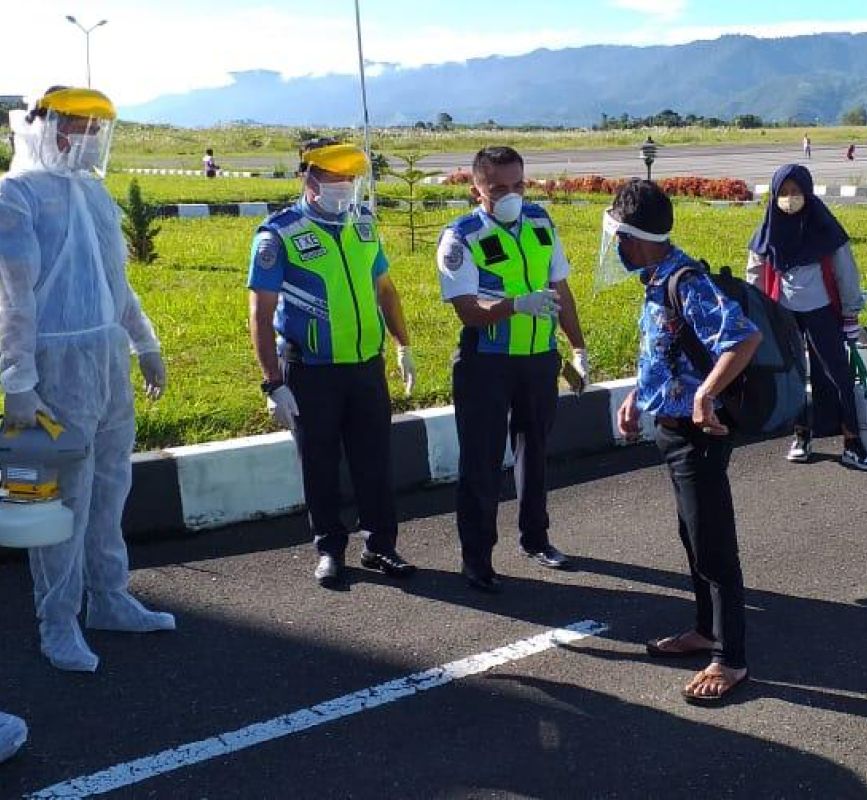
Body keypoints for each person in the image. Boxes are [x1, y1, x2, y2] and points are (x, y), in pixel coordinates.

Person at [0, 87, 174, 672]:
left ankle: (110, 596)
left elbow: (116, 281)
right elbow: (12, 298)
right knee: (61, 500)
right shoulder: (15, 195)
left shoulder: (94, 195)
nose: (87, 141)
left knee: (110, 484)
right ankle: (57, 621)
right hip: (54, 365)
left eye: (95, 130)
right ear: (44, 128)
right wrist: (17, 378)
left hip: (106, 359)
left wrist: (143, 341)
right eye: (77, 127)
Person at [612, 179, 761, 704]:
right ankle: (705, 630)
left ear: (638, 237)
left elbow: (742, 338)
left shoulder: (685, 281)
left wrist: (706, 397)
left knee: (714, 544)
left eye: (620, 237)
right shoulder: (656, 280)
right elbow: (664, 351)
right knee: (693, 537)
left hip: (697, 433)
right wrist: (637, 396)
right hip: (669, 428)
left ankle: (730, 658)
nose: (616, 248)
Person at [248, 138, 417, 588]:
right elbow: (260, 314)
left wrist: (404, 344)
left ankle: (381, 545)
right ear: (309, 177)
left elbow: (385, 289)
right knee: (319, 463)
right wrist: (272, 383)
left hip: (365, 365)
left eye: (350, 178)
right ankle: (329, 549)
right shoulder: (278, 233)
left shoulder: (362, 223)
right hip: (310, 370)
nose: (344, 186)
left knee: (375, 460)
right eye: (334, 177)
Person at [436, 146, 588, 593]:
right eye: (499, 187)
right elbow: (467, 310)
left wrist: (577, 347)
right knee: (480, 464)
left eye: (518, 184)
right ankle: (477, 559)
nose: (511, 194)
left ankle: (536, 539)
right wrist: (514, 306)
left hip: (538, 359)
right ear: (476, 189)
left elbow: (561, 288)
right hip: (486, 363)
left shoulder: (540, 222)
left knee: (535, 452)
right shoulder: (460, 236)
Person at [746, 164, 867, 470]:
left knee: (838, 377)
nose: (789, 198)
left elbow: (846, 272)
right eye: (783, 192)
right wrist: (757, 315)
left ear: (807, 194)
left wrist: (850, 313)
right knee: (792, 376)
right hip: (783, 313)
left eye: (796, 192)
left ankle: (852, 443)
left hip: (823, 311)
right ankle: (801, 436)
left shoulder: (826, 228)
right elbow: (754, 273)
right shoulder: (767, 230)